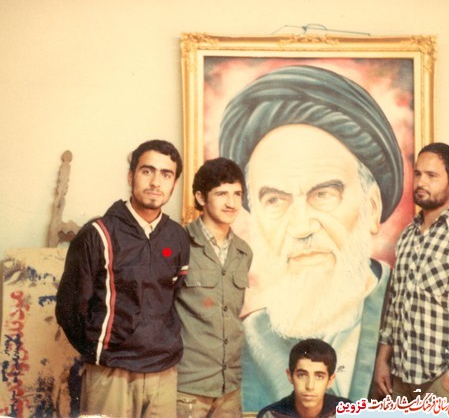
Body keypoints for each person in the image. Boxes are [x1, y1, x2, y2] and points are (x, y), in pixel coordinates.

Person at [219, 65, 405, 410]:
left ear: (372, 208)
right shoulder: (249, 342)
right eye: (275, 201)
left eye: (323, 194)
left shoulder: (406, 312)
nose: (301, 226)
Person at [55, 140, 190, 417]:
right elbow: (69, 310)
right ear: (131, 176)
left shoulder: (177, 237)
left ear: (174, 184)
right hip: (110, 372)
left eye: (166, 175)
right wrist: (101, 352)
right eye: (147, 171)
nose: (156, 182)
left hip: (163, 372)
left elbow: (172, 297)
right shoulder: (97, 234)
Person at [374, 142, 449, 401]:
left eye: (431, 175)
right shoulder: (407, 236)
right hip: (402, 378)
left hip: (446, 382)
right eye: (418, 174)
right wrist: (383, 360)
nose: (421, 182)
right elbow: (395, 305)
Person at [175, 157, 253, 416]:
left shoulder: (244, 252)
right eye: (221, 194)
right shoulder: (176, 244)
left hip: (230, 386)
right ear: (201, 197)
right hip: (187, 386)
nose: (231, 203)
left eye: (237, 194)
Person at [257, 339, 351, 418]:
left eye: (319, 376)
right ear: (290, 376)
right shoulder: (270, 415)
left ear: (330, 380)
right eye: (302, 375)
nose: (310, 386)